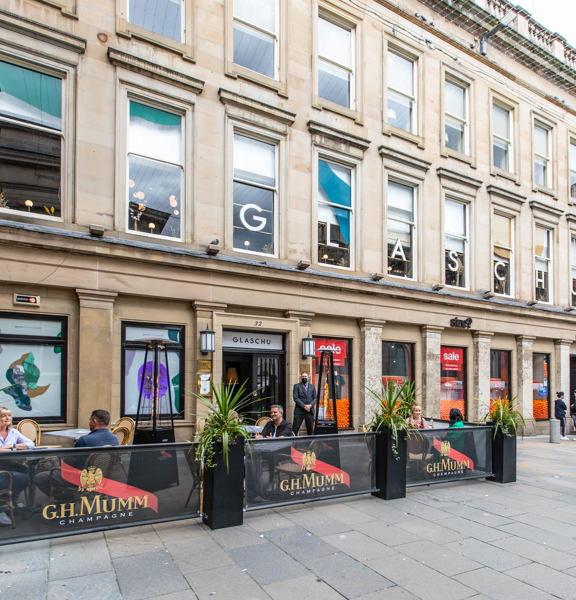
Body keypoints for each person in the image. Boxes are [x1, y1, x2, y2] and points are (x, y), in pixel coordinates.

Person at [34, 409, 119, 501]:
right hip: (101, 478)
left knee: (40, 477)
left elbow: (69, 462)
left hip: (80, 478)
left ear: (94, 421)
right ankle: (66, 498)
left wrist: (58, 463)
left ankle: (64, 500)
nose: (89, 422)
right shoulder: (115, 439)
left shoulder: (85, 440)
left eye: (90, 420)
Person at [0, 407, 34, 525]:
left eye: (9, 415)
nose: (7, 418)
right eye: (4, 416)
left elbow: (31, 444)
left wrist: (12, 446)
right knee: (21, 477)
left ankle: (11, 501)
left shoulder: (13, 432)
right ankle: (2, 508)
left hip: (8, 464)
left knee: (25, 472)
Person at [292, 371, 316, 435]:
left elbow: (315, 398)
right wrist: (304, 406)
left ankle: (310, 444)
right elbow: (295, 398)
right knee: (295, 429)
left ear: (308, 377)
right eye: (302, 376)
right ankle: (293, 443)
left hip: (309, 411)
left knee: (310, 430)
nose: (304, 378)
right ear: (301, 377)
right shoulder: (296, 386)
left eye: (305, 376)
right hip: (299, 411)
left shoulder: (312, 387)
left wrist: (310, 406)